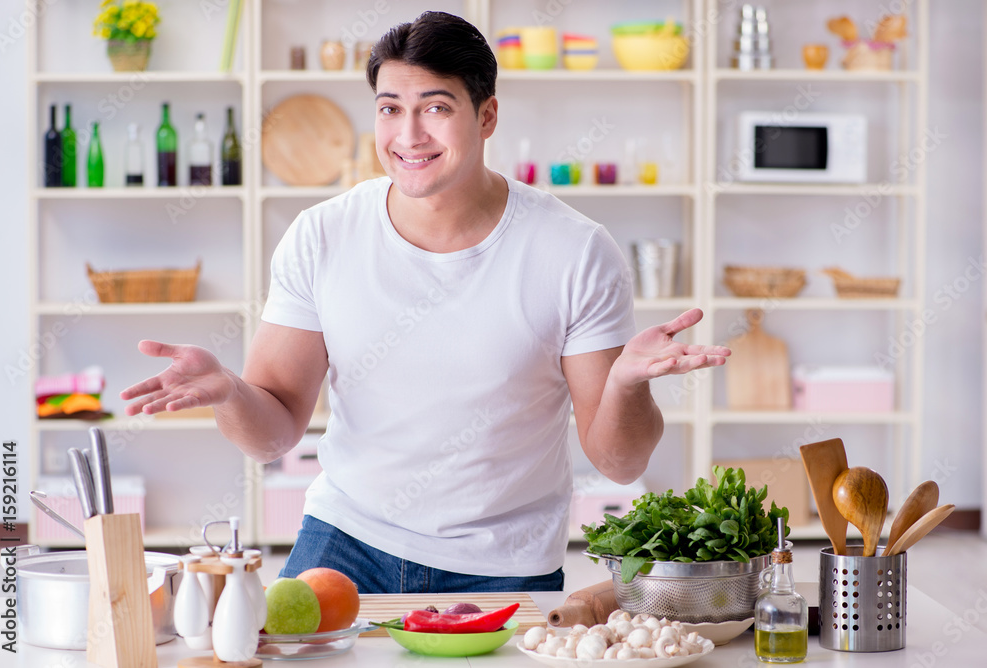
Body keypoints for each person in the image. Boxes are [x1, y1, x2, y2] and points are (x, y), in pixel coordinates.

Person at [121, 11, 730, 593]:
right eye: (390, 109)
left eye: (436, 108)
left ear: (487, 116)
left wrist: (626, 382)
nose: (409, 135)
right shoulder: (322, 234)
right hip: (345, 537)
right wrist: (229, 391)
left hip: (504, 561)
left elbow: (620, 463)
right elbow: (272, 435)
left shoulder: (574, 251)